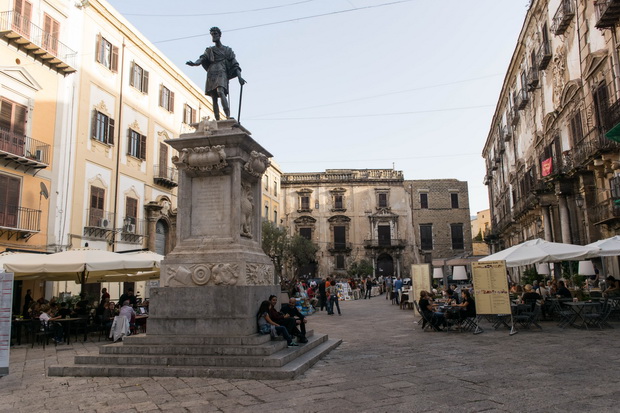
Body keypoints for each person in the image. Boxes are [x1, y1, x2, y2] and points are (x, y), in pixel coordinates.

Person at [186, 27, 246, 120]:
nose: (213, 36)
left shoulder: (227, 50)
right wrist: (195, 63)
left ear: (219, 35)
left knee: (220, 91)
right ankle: (217, 120)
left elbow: (235, 63)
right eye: (212, 34)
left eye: (215, 34)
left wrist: (239, 77)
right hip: (212, 72)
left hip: (222, 71)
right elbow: (202, 58)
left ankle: (227, 116)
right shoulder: (209, 50)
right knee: (214, 97)